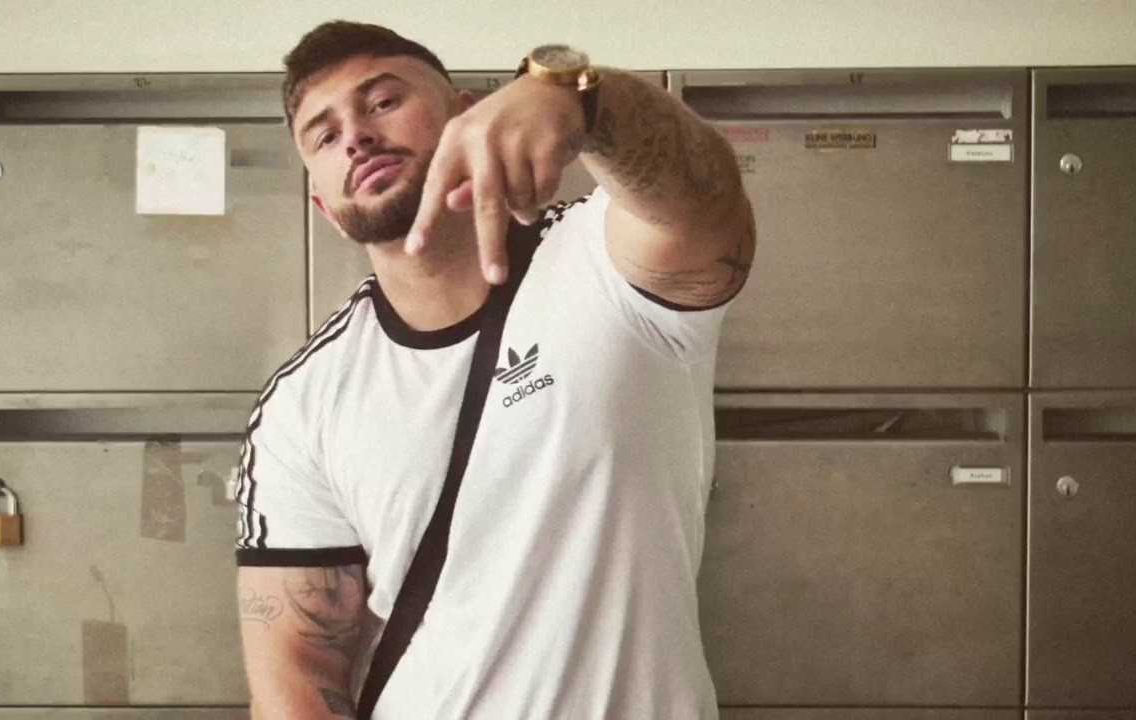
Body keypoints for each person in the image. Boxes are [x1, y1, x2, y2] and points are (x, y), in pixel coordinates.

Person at [235, 20, 756, 720]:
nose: (355, 136)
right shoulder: (302, 403)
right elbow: (296, 672)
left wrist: (582, 102)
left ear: (468, 113)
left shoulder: (605, 261)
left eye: (383, 101)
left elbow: (704, 197)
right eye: (324, 137)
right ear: (325, 208)